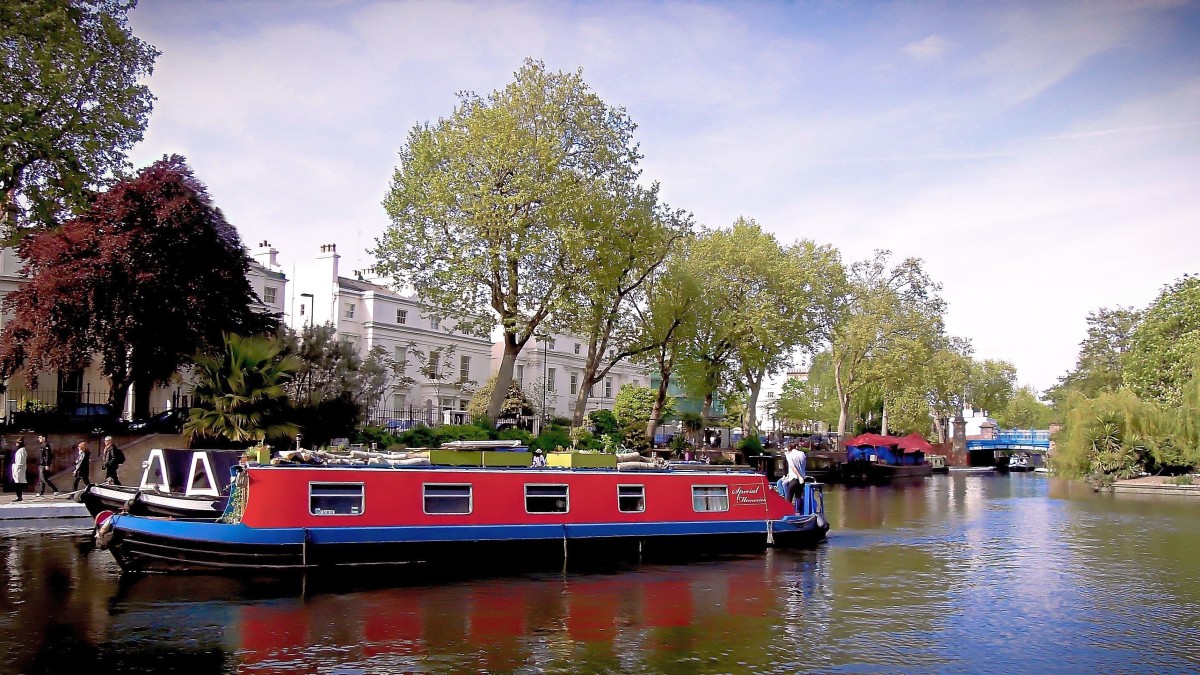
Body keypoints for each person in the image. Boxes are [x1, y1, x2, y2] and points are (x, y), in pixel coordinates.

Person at [783, 442, 807, 512]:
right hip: (803, 478)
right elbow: (804, 464)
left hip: (794, 478)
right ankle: (798, 512)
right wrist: (801, 476)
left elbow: (792, 466)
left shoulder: (790, 455)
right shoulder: (802, 454)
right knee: (798, 496)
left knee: (789, 497)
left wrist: (799, 476)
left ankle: (787, 512)